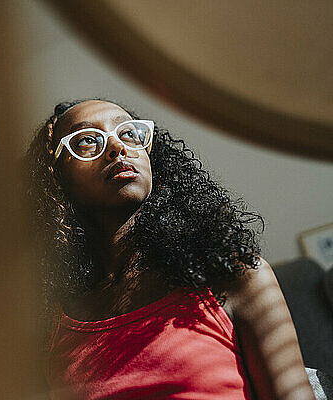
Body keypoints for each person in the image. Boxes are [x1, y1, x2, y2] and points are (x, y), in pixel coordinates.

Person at [25, 99, 315, 399]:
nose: (117, 148)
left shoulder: (232, 276)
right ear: (56, 180)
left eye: (129, 134)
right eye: (87, 140)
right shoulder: (51, 325)